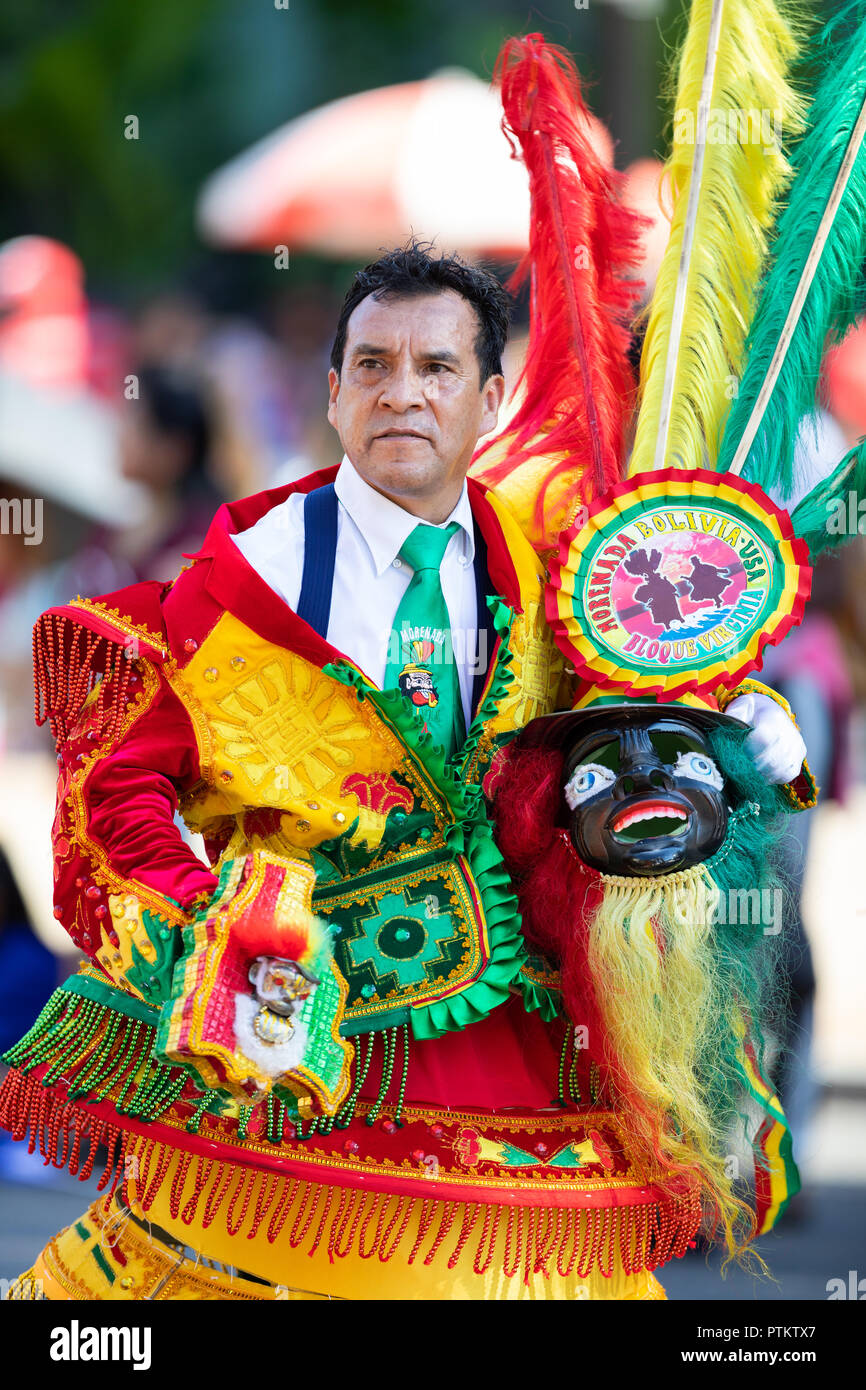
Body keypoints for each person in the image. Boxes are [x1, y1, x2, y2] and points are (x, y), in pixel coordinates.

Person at [1, 243, 809, 1301]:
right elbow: (116, 793)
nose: (402, 393)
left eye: (436, 368)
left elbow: (635, 715)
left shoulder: (553, 565)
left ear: (488, 396)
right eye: (373, 365)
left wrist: (743, 733)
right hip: (301, 1052)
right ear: (332, 394)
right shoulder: (247, 576)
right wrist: (206, 934)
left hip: (525, 1061)